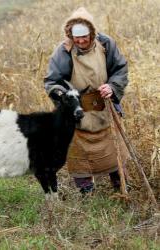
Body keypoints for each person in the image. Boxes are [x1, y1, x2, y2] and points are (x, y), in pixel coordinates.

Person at [44, 7, 129, 195]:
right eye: (77, 37)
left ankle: (121, 186)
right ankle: (86, 191)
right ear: (70, 34)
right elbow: (52, 81)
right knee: (79, 153)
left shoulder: (106, 44)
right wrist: (63, 96)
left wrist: (113, 87)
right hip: (77, 110)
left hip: (105, 106)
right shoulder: (63, 51)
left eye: (85, 36)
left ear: (92, 32)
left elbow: (120, 69)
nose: (81, 41)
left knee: (114, 152)